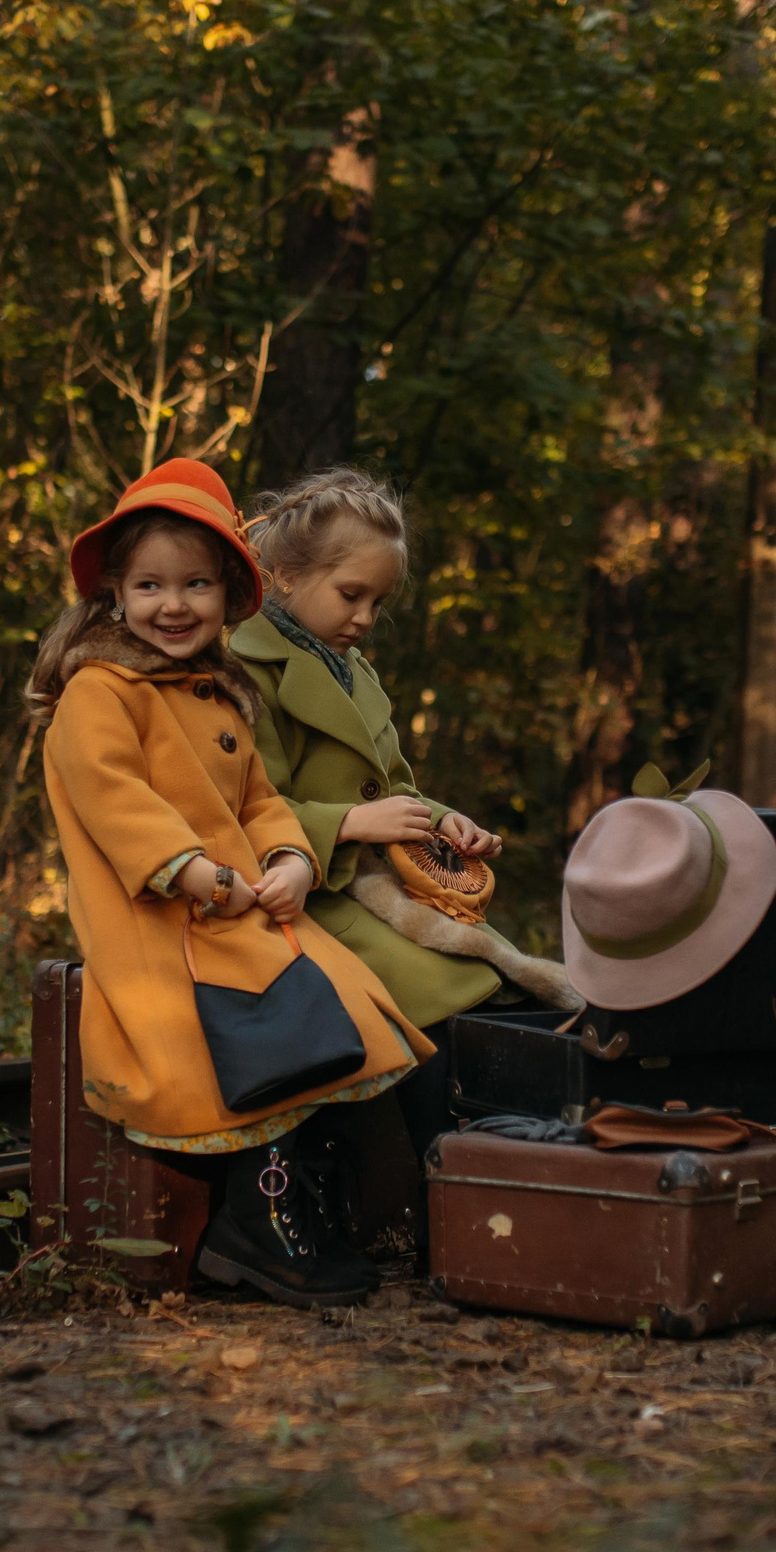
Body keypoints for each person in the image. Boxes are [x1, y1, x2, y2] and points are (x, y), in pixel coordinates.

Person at [29, 459, 430, 1308]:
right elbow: (115, 799)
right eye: (150, 585)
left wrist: (289, 859)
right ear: (115, 595)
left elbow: (258, 799)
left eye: (196, 585)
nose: (173, 605)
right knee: (268, 1047)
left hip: (239, 915)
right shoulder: (100, 692)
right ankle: (260, 1228)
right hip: (164, 928)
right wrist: (197, 872)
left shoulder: (216, 694)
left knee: (348, 1010)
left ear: (227, 595)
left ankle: (282, 1214)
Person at [231, 468, 575, 1169]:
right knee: (439, 993)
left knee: (506, 985)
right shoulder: (247, 667)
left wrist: (447, 823)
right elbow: (246, 806)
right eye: (351, 594)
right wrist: (352, 826)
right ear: (288, 574)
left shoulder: (355, 671)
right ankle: (450, 1179)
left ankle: (517, 1171)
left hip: (382, 887)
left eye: (378, 602)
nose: (363, 617)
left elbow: (397, 788)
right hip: (308, 891)